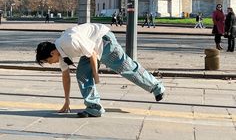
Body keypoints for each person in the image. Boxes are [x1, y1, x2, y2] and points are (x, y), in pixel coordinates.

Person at [35, 23, 165, 118]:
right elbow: (65, 76)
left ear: (52, 53)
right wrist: (67, 102)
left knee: (126, 68)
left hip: (104, 42)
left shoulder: (69, 41)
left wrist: (96, 75)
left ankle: (157, 87)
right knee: (82, 74)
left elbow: (92, 54)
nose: (50, 64)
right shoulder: (61, 53)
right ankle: (94, 107)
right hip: (92, 47)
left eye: (48, 61)